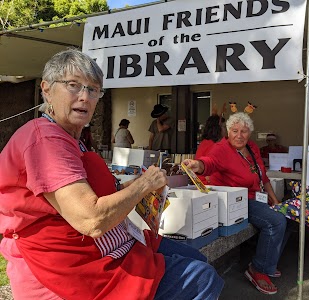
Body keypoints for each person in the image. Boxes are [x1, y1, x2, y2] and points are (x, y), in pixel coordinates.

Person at [0, 49, 223, 300]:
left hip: (114, 241)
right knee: (202, 278)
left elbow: (97, 192)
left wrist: (140, 183)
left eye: (93, 89)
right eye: (73, 85)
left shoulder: (72, 136)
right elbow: (91, 220)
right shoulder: (45, 139)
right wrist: (143, 185)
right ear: (47, 89)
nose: (85, 97)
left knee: (197, 258)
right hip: (73, 266)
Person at [183, 112, 287, 295]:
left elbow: (263, 176)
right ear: (228, 131)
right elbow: (209, 162)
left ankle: (269, 259)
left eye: (244, 131)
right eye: (235, 130)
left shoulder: (252, 147)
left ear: (250, 133)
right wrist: (197, 164)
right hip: (236, 201)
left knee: (285, 214)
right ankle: (259, 269)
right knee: (276, 221)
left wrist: (276, 200)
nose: (239, 135)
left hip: (255, 197)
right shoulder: (221, 148)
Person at [195, 115, 224, 184]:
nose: (226, 130)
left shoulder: (206, 142)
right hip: (208, 185)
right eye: (223, 127)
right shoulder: (212, 145)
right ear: (217, 129)